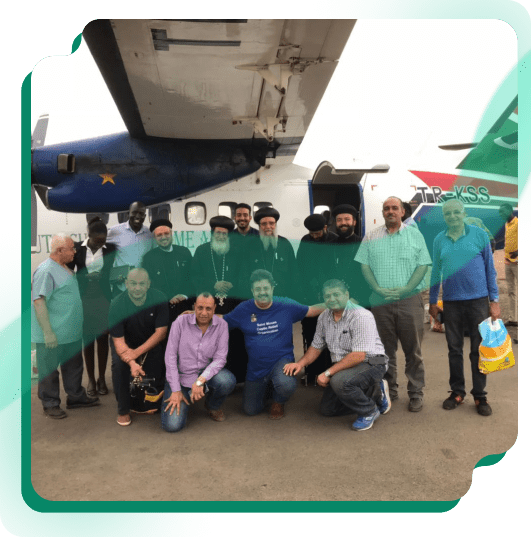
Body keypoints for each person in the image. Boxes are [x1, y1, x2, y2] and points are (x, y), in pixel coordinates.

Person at [355, 196, 431, 412]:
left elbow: (423, 265)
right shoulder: (371, 237)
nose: (390, 211)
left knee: (413, 351)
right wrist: (376, 289)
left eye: (394, 208)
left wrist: (407, 288)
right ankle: (389, 391)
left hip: (409, 300)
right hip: (380, 302)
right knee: (384, 352)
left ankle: (416, 393)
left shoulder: (415, 235)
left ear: (402, 212)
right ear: (383, 212)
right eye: (386, 208)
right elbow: (364, 266)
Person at [284, 279, 390, 431]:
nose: (332, 299)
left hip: (374, 360)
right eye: (327, 296)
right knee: (327, 409)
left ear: (347, 295)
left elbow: (359, 356)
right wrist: (299, 365)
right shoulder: (324, 317)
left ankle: (369, 410)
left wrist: (328, 373)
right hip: (348, 365)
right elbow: (316, 347)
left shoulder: (361, 315)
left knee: (339, 381)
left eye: (336, 294)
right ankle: (375, 393)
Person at [429, 199, 500, 416]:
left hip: (478, 302)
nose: (452, 216)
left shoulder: (479, 235)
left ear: (463, 213)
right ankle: (457, 392)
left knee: (478, 350)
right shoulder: (439, 239)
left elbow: (490, 269)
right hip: (451, 303)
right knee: (454, 349)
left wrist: (494, 301)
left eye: (456, 212)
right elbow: (435, 273)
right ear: (444, 216)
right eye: (447, 213)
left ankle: (480, 395)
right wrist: (433, 302)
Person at [223, 269, 325, 419]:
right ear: (252, 290)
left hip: (281, 362)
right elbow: (223, 321)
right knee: (250, 410)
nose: (262, 292)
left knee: (286, 384)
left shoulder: (285, 304)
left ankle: (279, 401)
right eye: (258, 289)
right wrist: (197, 317)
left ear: (272, 288)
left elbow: (311, 310)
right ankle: (268, 387)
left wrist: (338, 302)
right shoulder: (244, 309)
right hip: (256, 367)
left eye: (266, 288)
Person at [32, 234, 100, 419]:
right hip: (53, 333)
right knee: (48, 370)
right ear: (60, 250)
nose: (75, 251)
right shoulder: (46, 271)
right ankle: (50, 403)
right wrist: (48, 332)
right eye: (71, 248)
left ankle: (76, 397)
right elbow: (39, 301)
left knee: (73, 366)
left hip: (70, 332)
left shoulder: (64, 267)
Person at [161, 293, 236, 432]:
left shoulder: (222, 325)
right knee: (172, 426)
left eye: (208, 309)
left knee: (227, 380)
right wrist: (176, 390)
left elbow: (220, 359)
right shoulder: (180, 322)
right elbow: (170, 356)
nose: (203, 313)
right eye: (200, 308)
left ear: (214, 309)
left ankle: (212, 405)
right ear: (194, 307)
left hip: (204, 374)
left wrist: (200, 381)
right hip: (181, 376)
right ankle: (183, 396)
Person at [108, 268, 169, 426]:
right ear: (126, 284)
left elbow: (161, 333)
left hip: (150, 340)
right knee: (119, 366)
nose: (137, 287)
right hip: (125, 344)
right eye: (133, 283)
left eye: (141, 284)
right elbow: (118, 341)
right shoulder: (116, 304)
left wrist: (136, 353)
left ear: (148, 284)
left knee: (158, 362)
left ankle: (150, 401)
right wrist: (132, 362)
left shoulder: (159, 298)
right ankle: (123, 409)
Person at [68, 217, 117, 396]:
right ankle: (90, 380)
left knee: (103, 339)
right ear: (89, 235)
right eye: (97, 241)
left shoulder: (111, 249)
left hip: (103, 299)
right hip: (84, 299)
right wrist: (83, 278)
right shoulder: (77, 248)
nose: (100, 244)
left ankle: (102, 378)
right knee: (88, 340)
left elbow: (116, 269)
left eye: (103, 240)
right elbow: (68, 273)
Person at [296, 214, 337, 384]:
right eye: (312, 233)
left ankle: (329, 371)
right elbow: (299, 268)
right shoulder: (305, 240)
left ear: (325, 228)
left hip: (330, 295)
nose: (314, 236)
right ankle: (312, 372)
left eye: (317, 233)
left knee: (330, 335)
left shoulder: (334, 240)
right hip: (310, 296)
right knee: (311, 335)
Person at [242, 207, 301, 301]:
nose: (268, 227)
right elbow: (244, 275)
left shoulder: (285, 244)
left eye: (271, 223)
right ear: (259, 226)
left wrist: (295, 300)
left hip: (283, 299)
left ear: (276, 224)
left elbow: (294, 274)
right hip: (258, 300)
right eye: (264, 224)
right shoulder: (250, 246)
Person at [141, 218, 193, 323]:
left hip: (185, 308)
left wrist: (184, 295)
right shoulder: (148, 258)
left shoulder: (184, 252)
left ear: (171, 233)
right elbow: (148, 286)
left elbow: (192, 278)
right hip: (162, 310)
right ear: (154, 238)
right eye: (159, 235)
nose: (164, 237)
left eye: (166, 233)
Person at [191, 216, 242, 310]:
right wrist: (213, 285)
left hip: (232, 304)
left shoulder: (236, 252)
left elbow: (242, 275)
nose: (221, 236)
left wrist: (233, 284)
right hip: (207, 304)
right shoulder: (201, 251)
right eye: (218, 233)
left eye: (224, 234)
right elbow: (194, 276)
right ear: (212, 233)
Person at [107, 201, 153, 297]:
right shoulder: (115, 231)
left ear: (144, 216)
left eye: (141, 213)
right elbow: (97, 242)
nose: (137, 216)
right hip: (121, 287)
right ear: (128, 214)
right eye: (134, 212)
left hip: (142, 289)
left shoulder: (149, 234)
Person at [330, 204, 369, 307]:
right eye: (339, 220)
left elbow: (368, 275)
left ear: (354, 222)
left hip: (359, 301)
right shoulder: (329, 245)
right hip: (334, 300)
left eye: (347, 219)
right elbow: (324, 272)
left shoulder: (364, 244)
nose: (343, 223)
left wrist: (356, 298)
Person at [499, 202, 518, 327]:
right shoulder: (507, 224)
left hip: (518, 261)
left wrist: (518, 252)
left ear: (510, 211)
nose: (501, 214)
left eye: (503, 211)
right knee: (511, 290)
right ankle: (513, 319)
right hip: (507, 262)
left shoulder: (520, 223)